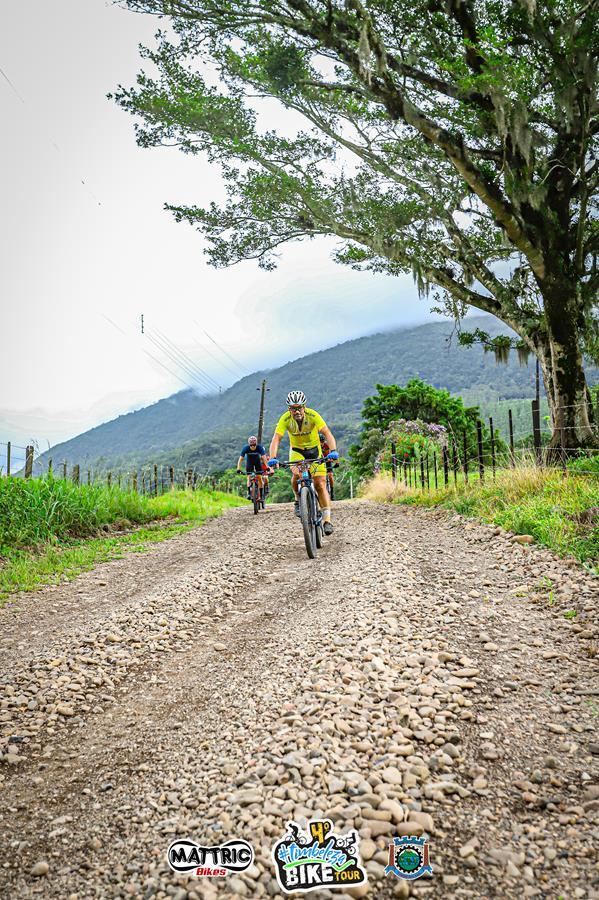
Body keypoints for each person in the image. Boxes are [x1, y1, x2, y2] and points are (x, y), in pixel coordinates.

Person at [268, 391, 339, 535]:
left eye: (299, 407)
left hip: (314, 451)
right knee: (296, 475)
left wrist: (333, 451)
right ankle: (297, 499)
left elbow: (327, 433)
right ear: (289, 409)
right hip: (297, 451)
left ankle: (327, 520)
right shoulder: (285, 419)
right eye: (293, 408)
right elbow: (276, 438)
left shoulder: (313, 415)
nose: (297, 411)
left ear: (304, 406)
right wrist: (272, 457)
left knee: (320, 484)